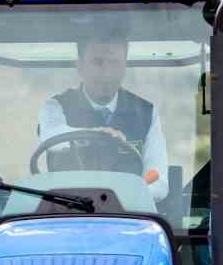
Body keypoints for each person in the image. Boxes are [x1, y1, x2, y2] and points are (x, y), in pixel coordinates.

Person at [37, 36, 169, 200]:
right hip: (67, 209)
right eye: (97, 62)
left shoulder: (146, 113)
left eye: (115, 63)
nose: (107, 73)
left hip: (128, 211)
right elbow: (50, 135)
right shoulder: (56, 106)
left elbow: (157, 177)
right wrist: (93, 134)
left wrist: (128, 194)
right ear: (80, 67)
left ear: (124, 67)